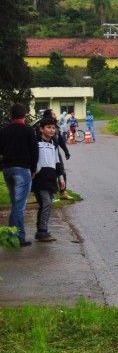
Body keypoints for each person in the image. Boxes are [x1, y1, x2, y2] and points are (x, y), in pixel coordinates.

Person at [0, 103, 39, 246]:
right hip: (22, 170)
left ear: (11, 115)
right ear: (24, 115)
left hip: (7, 170)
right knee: (19, 206)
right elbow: (35, 152)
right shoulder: (29, 131)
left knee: (15, 203)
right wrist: (33, 169)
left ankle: (15, 236)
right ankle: (15, 238)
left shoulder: (3, 131)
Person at [32, 117, 63, 242]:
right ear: (41, 129)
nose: (52, 130)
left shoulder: (54, 144)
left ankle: (41, 231)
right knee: (46, 203)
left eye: (53, 128)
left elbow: (57, 162)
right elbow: (33, 159)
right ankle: (42, 231)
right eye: (48, 127)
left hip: (51, 178)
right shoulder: (35, 142)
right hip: (40, 178)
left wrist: (60, 177)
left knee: (46, 205)